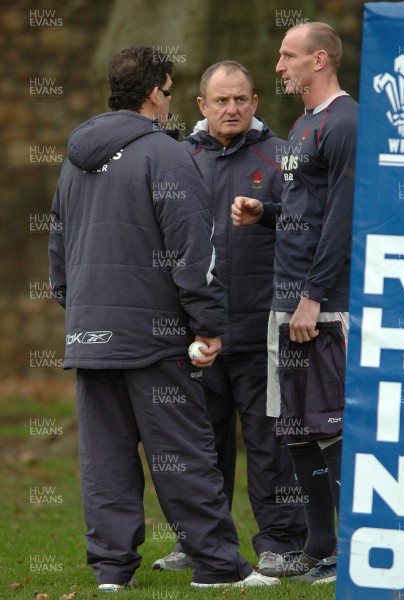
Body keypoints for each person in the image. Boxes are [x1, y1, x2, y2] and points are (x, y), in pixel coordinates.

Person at [48, 45, 280, 590]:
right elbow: (193, 254)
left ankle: (111, 572)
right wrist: (208, 326)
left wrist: (79, 308)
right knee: (184, 453)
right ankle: (219, 568)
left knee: (104, 461)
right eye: (170, 92)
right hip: (156, 338)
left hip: (91, 334)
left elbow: (57, 250)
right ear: (157, 92)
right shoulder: (167, 155)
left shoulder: (74, 159)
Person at [152, 60, 308, 578]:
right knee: (200, 444)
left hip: (263, 328)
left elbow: (314, 226)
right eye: (221, 100)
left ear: (256, 101)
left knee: (269, 442)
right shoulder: (176, 160)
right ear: (202, 106)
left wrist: (267, 215)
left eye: (241, 98)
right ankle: (199, 543)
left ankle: (280, 542)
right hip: (196, 332)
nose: (232, 108)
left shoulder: (283, 156)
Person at [232, 22, 358, 585]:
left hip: (321, 304)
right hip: (287, 300)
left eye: (289, 56)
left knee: (330, 427)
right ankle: (318, 545)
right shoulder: (304, 123)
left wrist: (313, 298)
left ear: (320, 60)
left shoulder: (347, 122)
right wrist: (268, 213)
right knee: (297, 430)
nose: (279, 66)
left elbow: (341, 219)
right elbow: (306, 210)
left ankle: (346, 554)